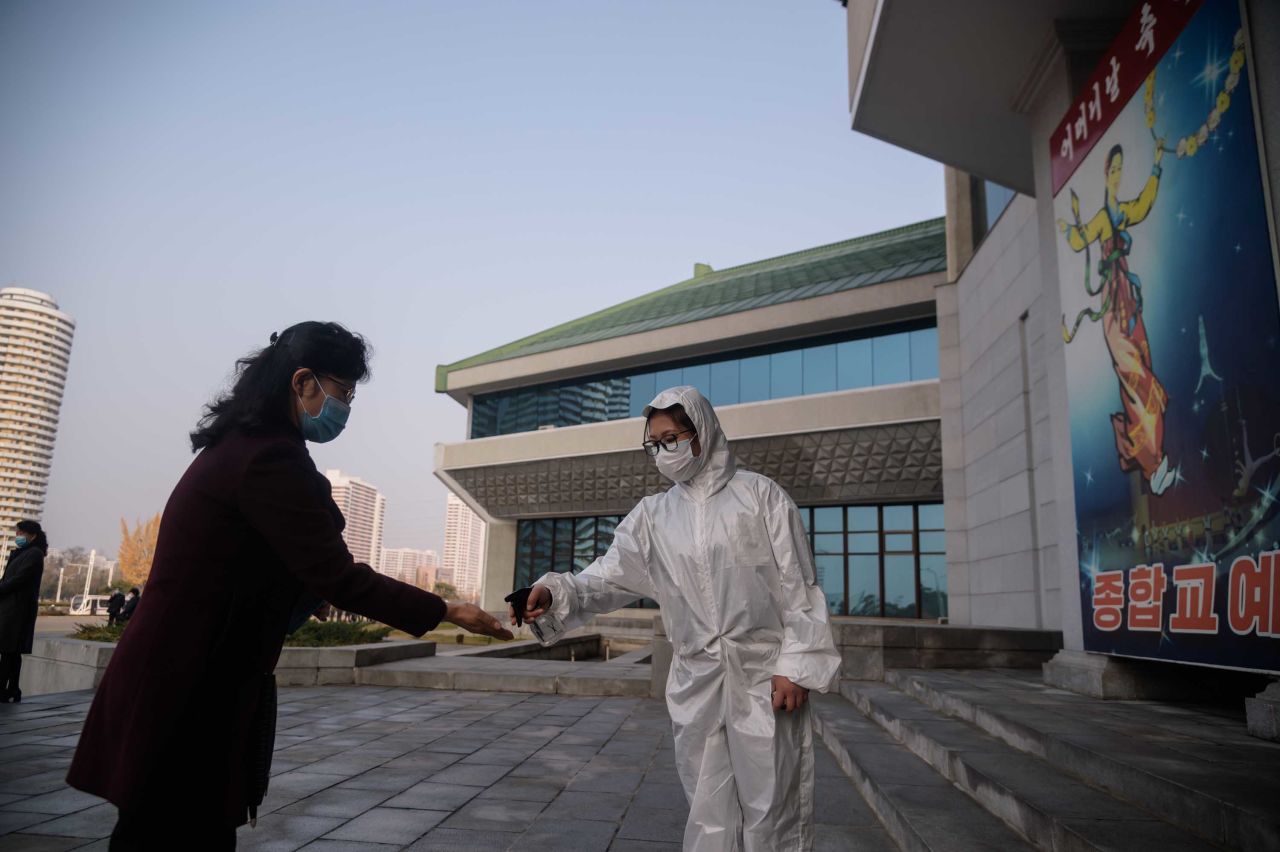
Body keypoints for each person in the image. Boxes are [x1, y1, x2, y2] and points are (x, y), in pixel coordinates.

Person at [67, 322, 512, 851]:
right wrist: (447, 609)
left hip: (182, 674)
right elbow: (339, 575)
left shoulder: (243, 445)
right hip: (188, 685)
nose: (346, 407)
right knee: (175, 830)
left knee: (163, 828)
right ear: (303, 382)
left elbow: (271, 562)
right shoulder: (269, 458)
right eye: (343, 392)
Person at [510, 386, 839, 851]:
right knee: (707, 803)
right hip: (696, 678)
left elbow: (798, 585)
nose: (663, 451)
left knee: (772, 803)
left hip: (764, 676)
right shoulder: (654, 516)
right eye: (654, 443)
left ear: (701, 432)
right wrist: (554, 592)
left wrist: (796, 663)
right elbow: (606, 578)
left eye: (671, 438)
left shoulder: (761, 497)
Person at [0, 520, 48, 704]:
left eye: (21, 533)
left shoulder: (34, 554)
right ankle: (12, 689)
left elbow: (19, 579)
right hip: (11, 607)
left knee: (9, 650)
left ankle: (6, 690)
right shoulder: (22, 553)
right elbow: (7, 579)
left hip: (18, 609)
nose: (18, 536)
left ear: (32, 535)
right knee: (10, 652)